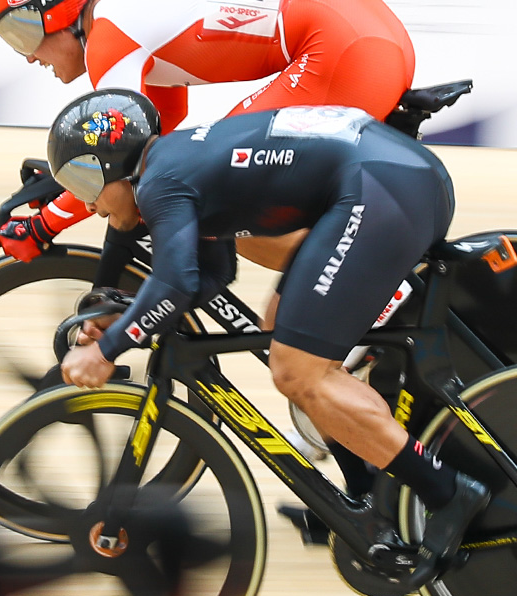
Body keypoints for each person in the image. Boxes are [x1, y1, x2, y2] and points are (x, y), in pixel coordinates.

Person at [40, 88, 490, 566]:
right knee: (280, 329)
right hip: (388, 178)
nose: (88, 205)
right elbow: (210, 275)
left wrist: (107, 348)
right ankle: (366, 495)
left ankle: (447, 491)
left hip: (384, 186)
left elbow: (174, 283)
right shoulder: (173, 162)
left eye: (85, 182)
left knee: (297, 368)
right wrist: (131, 315)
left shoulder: (158, 184)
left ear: (112, 163)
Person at [0, 0, 416, 268]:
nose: (26, 55)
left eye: (24, 34)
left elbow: (115, 161)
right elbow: (159, 133)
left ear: (60, 12)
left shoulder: (108, 40)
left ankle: (371, 290)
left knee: (226, 204)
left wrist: (46, 223)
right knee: (214, 177)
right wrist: (72, 189)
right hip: (364, 36)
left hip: (348, 49)